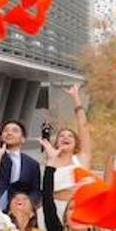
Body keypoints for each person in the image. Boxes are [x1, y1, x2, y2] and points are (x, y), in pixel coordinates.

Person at [0, 80, 41, 211]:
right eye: (6, 130)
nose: (9, 133)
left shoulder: (32, 164)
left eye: (15, 131)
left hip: (18, 212)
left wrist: (29, 205)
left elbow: (35, 190)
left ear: (23, 139)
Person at [40, 84, 92, 217]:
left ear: (76, 143)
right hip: (53, 208)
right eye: (61, 136)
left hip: (77, 207)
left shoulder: (81, 158)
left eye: (70, 136)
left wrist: (76, 97)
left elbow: (83, 127)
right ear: (56, 143)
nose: (65, 137)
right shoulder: (51, 161)